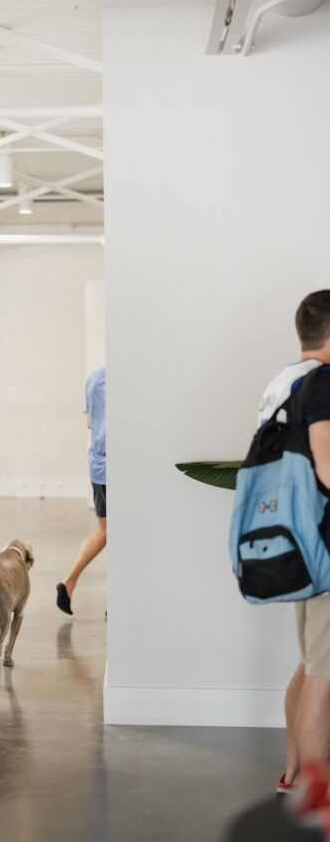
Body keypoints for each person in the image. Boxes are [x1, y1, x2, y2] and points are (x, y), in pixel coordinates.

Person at [253, 291, 330, 797]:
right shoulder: (323, 384)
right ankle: (318, 803)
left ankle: (293, 774)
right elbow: (327, 468)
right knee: (324, 678)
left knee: (310, 663)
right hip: (324, 546)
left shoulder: (281, 382)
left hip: (295, 544)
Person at [57, 366, 106, 616]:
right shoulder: (133, 375)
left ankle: (69, 581)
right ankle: (117, 598)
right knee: (117, 533)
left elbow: (89, 423)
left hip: (99, 464)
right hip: (121, 468)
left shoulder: (95, 377)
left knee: (106, 530)